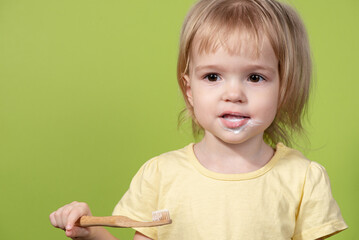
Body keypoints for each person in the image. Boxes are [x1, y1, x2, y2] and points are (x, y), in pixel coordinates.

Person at [49, 0, 348, 239]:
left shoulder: (303, 179)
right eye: (213, 76)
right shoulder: (159, 176)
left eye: (255, 77)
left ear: (285, 89)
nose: (233, 93)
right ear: (189, 90)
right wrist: (91, 234)